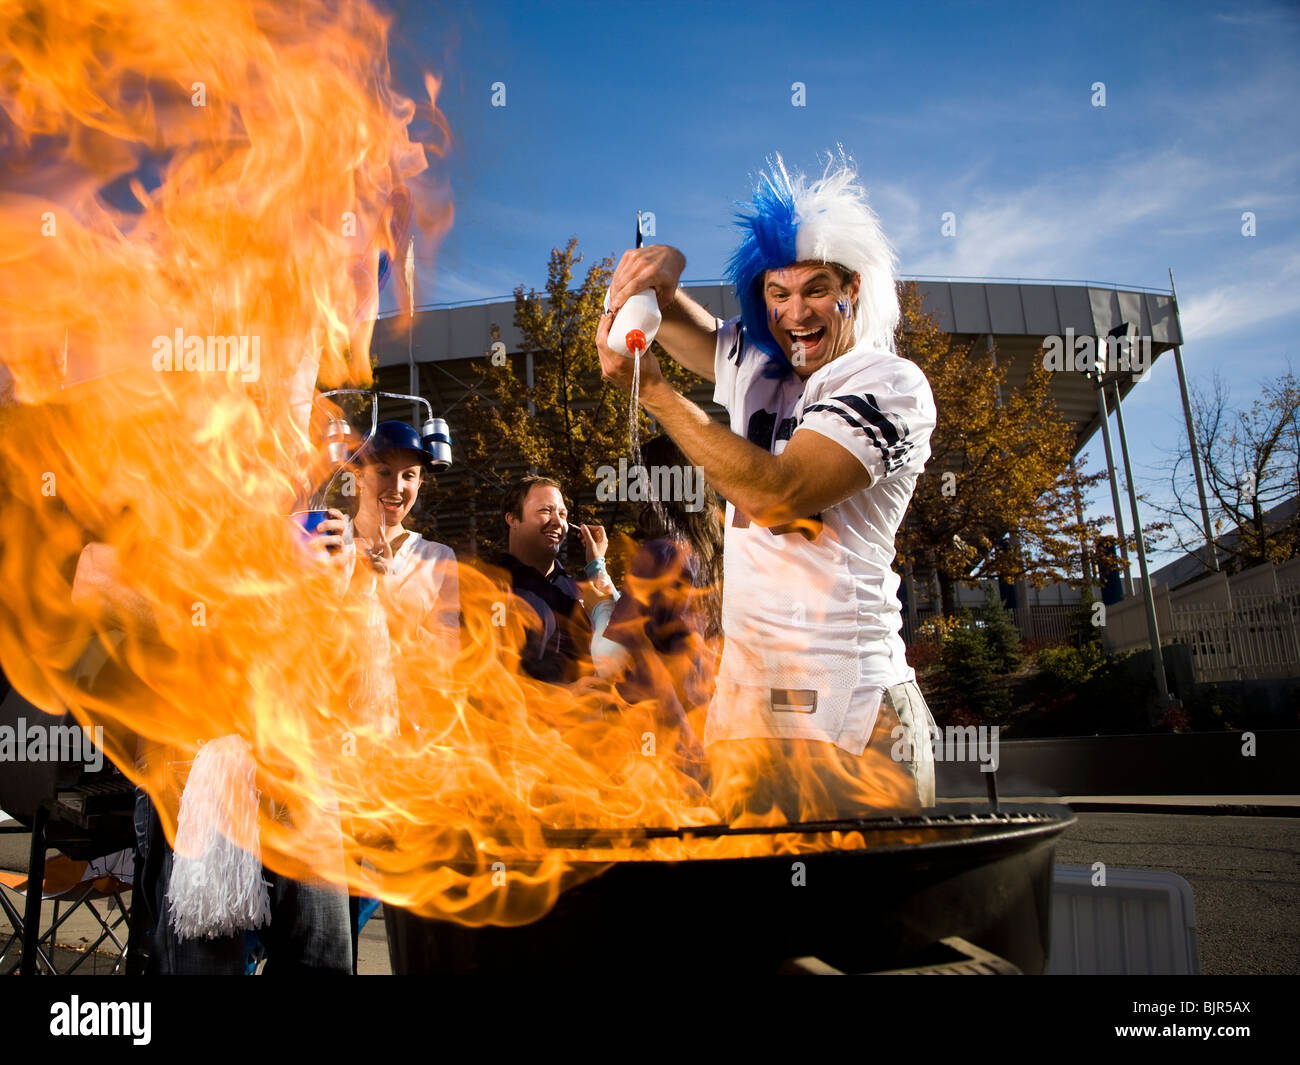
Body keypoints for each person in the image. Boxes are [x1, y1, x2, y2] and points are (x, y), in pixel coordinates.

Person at [595, 152, 938, 819]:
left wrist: (654, 393)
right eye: (778, 294)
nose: (796, 313)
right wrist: (662, 268)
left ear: (853, 288)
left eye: (816, 289)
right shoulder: (760, 365)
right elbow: (681, 322)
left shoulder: (888, 383)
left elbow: (779, 494)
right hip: (748, 711)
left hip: (850, 708)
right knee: (751, 891)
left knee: (870, 891)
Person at [491, 475, 613, 684]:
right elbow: (490, 675)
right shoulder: (490, 585)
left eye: (563, 514)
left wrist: (597, 565)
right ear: (512, 519)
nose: (558, 522)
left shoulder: (579, 591)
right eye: (545, 511)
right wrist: (563, 695)